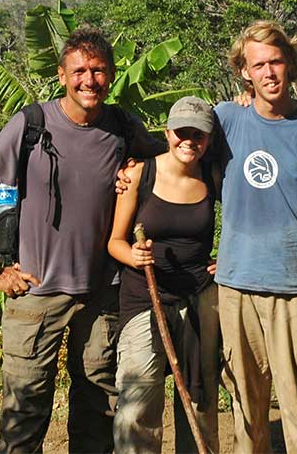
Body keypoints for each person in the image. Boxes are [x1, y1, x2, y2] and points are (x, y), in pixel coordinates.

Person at [0, 27, 165, 454]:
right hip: (35, 293)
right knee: (24, 415)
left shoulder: (123, 127)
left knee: (96, 412)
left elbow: (173, 150)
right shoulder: (32, 124)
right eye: (79, 71)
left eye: (99, 71)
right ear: (61, 75)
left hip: (100, 293)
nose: (89, 80)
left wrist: (230, 116)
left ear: (111, 75)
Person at [215, 20, 297, 453]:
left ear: (289, 64)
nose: (268, 72)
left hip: (295, 290)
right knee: (245, 409)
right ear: (244, 72)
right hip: (236, 289)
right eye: (258, 65)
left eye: (275, 61)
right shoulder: (226, 119)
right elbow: (178, 150)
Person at [108, 95, 220, 454]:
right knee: (137, 403)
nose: (189, 141)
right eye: (181, 132)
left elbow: (244, 216)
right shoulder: (140, 174)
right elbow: (114, 241)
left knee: (199, 402)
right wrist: (134, 255)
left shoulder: (212, 174)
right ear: (167, 132)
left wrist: (228, 259)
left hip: (198, 299)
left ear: (209, 139)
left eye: (198, 135)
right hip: (145, 297)